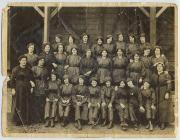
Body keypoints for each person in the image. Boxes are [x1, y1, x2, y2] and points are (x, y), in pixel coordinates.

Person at [10, 55, 35, 125]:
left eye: (25, 60)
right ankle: (19, 121)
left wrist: (32, 87)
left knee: (27, 104)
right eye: (23, 60)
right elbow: (12, 80)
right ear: (20, 61)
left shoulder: (29, 69)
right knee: (19, 103)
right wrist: (13, 89)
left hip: (27, 89)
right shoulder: (15, 69)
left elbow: (32, 79)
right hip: (19, 89)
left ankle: (26, 120)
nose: (24, 62)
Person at [152, 63, 172, 130]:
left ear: (163, 67)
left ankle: (163, 123)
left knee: (163, 107)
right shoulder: (154, 75)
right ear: (156, 67)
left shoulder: (166, 75)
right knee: (157, 106)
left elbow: (169, 84)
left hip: (163, 90)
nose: (159, 67)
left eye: (161, 66)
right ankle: (158, 121)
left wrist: (167, 92)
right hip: (156, 91)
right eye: (158, 66)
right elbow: (152, 84)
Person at [31, 56, 49, 123]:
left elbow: (47, 78)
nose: (42, 62)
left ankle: (42, 118)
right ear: (38, 61)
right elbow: (31, 77)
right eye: (41, 60)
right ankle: (36, 118)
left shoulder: (45, 69)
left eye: (43, 60)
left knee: (42, 102)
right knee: (36, 102)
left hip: (43, 86)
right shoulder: (34, 68)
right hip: (36, 85)